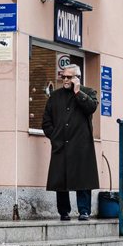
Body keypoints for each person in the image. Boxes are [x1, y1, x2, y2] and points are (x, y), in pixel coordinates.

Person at [42, 64, 99, 221]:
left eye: (69, 77)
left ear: (77, 78)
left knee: (83, 180)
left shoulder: (88, 92)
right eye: (63, 77)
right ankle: (64, 212)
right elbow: (46, 121)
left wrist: (77, 92)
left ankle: (84, 211)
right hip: (61, 144)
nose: (65, 80)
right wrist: (54, 137)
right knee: (61, 181)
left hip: (81, 146)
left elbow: (91, 108)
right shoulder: (55, 96)